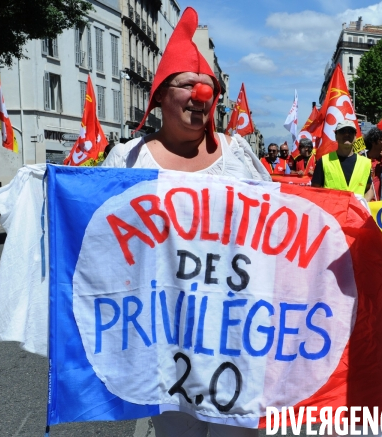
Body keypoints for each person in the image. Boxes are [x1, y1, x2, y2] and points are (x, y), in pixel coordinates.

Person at [103, 7, 268, 436]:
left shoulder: (238, 157)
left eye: (208, 89)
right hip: (163, 338)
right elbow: (97, 238)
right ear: (158, 95)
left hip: (234, 334)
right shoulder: (127, 160)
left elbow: (277, 225)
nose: (200, 96)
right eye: (186, 85)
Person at [311, 120, 374, 201]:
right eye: (342, 131)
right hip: (332, 212)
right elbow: (314, 190)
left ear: (355, 136)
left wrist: (363, 204)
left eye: (350, 131)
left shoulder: (365, 163)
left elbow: (369, 189)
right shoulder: (324, 161)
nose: (347, 134)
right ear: (336, 136)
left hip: (357, 212)